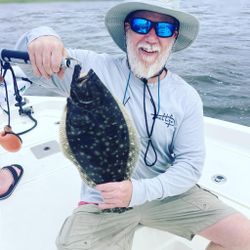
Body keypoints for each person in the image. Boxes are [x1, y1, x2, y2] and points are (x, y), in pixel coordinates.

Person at [15, 0, 250, 249]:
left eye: (164, 30)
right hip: (103, 197)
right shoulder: (90, 69)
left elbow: (189, 166)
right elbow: (26, 65)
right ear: (127, 29)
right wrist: (41, 36)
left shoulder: (186, 96)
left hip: (165, 193)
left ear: (174, 38)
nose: (151, 37)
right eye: (141, 25)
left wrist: (136, 192)